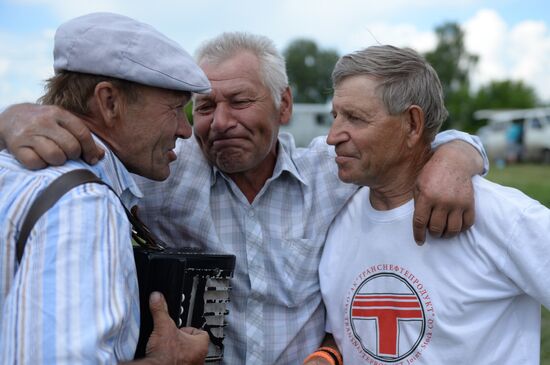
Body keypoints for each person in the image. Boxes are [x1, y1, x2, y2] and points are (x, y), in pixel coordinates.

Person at [0, 33, 488, 364]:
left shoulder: (332, 171)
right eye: (205, 106)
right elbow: (85, 143)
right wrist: (12, 119)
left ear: (284, 105)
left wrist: (458, 154)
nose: (220, 122)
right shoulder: (161, 166)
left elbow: (404, 142)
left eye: (240, 101)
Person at [311, 45, 550, 364]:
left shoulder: (500, 215)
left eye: (355, 118)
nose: (332, 136)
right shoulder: (336, 219)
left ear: (412, 124)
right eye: (335, 116)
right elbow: (351, 336)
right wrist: (328, 355)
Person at [0, 12, 211, 364]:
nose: (185, 129)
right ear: (109, 102)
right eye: (175, 109)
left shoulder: (13, 168)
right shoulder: (84, 205)